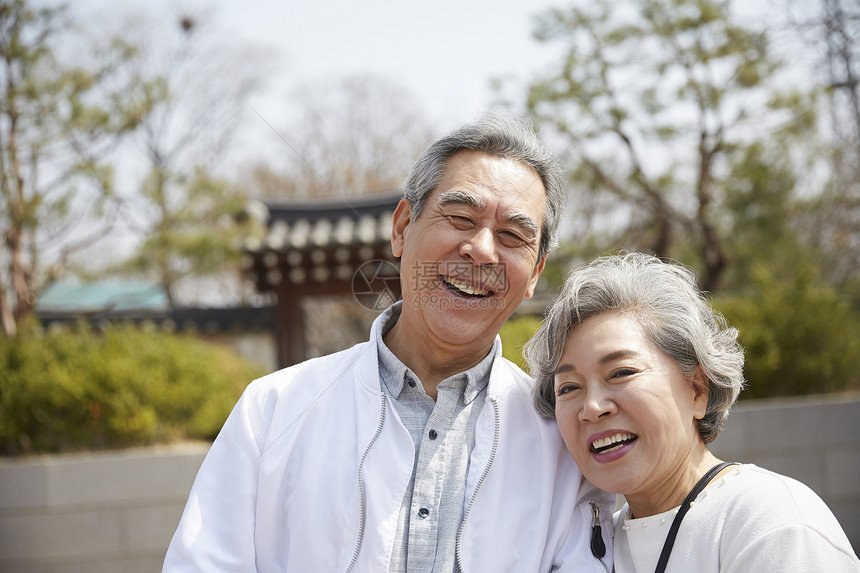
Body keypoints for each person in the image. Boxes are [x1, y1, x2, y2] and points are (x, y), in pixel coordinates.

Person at [163, 112, 615, 572]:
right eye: (460, 217)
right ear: (402, 227)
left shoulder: (562, 440)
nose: (481, 249)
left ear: (535, 273)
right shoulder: (273, 409)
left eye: (512, 236)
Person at [526, 252, 860, 572]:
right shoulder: (588, 550)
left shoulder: (769, 521)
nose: (592, 408)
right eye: (568, 388)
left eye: (621, 372)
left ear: (697, 390)